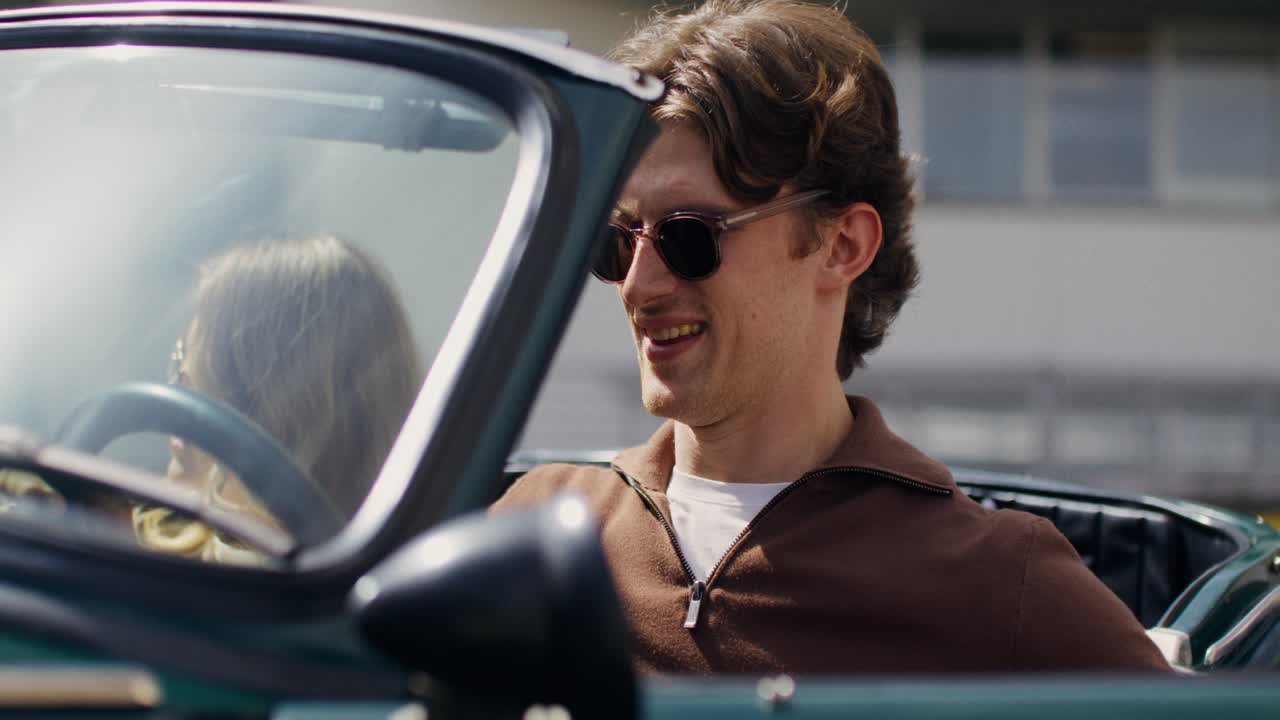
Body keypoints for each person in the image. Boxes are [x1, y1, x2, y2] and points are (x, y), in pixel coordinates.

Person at [493, 0, 1168, 673]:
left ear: (843, 245)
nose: (639, 285)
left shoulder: (998, 580)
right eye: (616, 240)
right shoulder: (537, 527)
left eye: (689, 236)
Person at [136, 235, 422, 563]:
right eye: (179, 378)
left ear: (286, 430)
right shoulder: (149, 525)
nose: (175, 434)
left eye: (204, 403)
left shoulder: (269, 582)